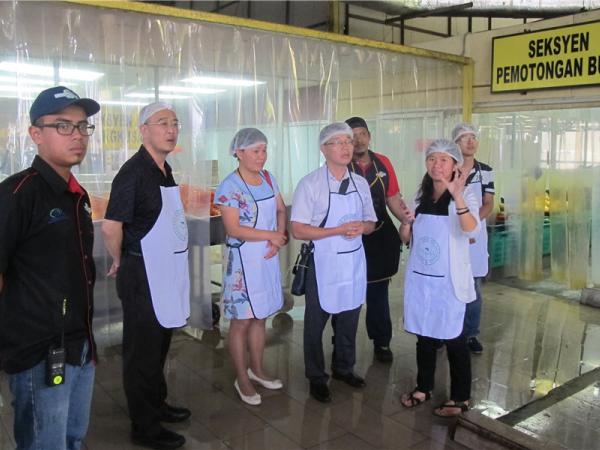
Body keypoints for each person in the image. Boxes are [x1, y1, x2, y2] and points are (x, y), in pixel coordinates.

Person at [0, 86, 99, 450]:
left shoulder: (76, 195)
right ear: (36, 134)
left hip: (80, 345)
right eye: (62, 125)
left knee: (73, 438)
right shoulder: (17, 194)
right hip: (38, 352)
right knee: (45, 443)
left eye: (82, 126)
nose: (77, 135)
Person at [102, 102, 190, 449]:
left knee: (161, 341)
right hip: (142, 272)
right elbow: (112, 226)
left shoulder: (164, 169)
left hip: (164, 268)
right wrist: (119, 260)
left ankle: (157, 403)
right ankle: (144, 427)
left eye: (175, 123)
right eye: (162, 123)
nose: (171, 130)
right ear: (143, 130)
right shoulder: (133, 172)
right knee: (142, 352)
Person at [291, 122, 377, 403]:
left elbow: (371, 222)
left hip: (353, 261)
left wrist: (362, 227)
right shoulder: (310, 184)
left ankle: (343, 367)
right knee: (315, 323)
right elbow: (298, 230)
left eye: (348, 142)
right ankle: (317, 376)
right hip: (323, 262)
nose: (346, 147)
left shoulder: (360, 183)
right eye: (338, 142)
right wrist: (337, 230)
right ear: (323, 149)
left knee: (350, 316)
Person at [399, 139, 480, 417]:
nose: (437, 165)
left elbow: (471, 230)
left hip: (449, 280)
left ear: (455, 164)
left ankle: (460, 398)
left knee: (454, 337)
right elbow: (406, 237)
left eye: (444, 159)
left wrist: (457, 195)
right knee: (424, 334)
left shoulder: (466, 194)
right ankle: (424, 387)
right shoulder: (420, 196)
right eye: (432, 159)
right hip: (422, 279)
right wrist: (406, 222)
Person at [214, 128, 287, 406]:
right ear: (239, 152)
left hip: (266, 257)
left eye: (264, 150)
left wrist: (278, 237)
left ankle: (257, 369)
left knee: (260, 316)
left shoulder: (268, 178)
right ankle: (242, 378)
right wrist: (272, 236)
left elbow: (280, 210)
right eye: (256, 150)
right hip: (243, 263)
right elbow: (233, 228)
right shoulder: (229, 187)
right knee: (242, 320)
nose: (262, 156)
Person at [345, 117, 414, 362]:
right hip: (349, 236)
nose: (358, 139)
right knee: (347, 292)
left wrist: (408, 221)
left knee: (377, 293)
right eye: (353, 135)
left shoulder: (382, 162)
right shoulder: (340, 164)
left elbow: (392, 197)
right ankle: (342, 343)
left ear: (369, 136)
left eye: (362, 134)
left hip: (380, 236)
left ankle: (382, 341)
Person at [453, 123, 495, 355]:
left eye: (473, 137)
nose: (470, 142)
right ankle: (448, 330)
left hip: (475, 238)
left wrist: (472, 226)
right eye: (465, 138)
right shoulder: (449, 167)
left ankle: (470, 334)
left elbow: (488, 204)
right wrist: (461, 228)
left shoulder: (485, 171)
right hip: (452, 234)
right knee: (450, 283)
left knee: (474, 287)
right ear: (456, 143)